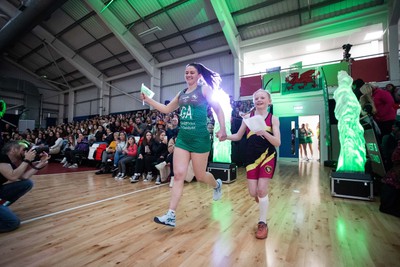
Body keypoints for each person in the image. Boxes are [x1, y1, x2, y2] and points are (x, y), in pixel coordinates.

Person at [141, 62, 227, 227]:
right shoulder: (181, 93)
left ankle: (217, 185)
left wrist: (222, 128)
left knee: (200, 176)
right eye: (186, 72)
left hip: (200, 139)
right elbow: (166, 109)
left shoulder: (204, 89)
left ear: (199, 75)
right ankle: (171, 215)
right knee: (179, 175)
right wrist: (148, 100)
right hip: (183, 139)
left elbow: (218, 109)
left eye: (192, 72)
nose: (188, 75)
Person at [222, 89, 281, 239]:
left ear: (269, 101)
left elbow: (278, 142)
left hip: (267, 156)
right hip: (250, 158)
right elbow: (237, 136)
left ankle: (262, 223)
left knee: (261, 190)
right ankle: (262, 198)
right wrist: (225, 136)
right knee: (253, 193)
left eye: (262, 97)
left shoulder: (273, 119)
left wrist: (265, 133)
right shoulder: (247, 118)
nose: (259, 100)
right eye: (256, 98)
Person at [0, 141, 50, 232]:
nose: (26, 152)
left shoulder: (9, 163)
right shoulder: (1, 157)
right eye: (24, 149)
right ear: (13, 149)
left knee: (27, 183)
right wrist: (27, 160)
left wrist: (41, 163)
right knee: (13, 223)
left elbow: (24, 177)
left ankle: (2, 206)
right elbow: (12, 176)